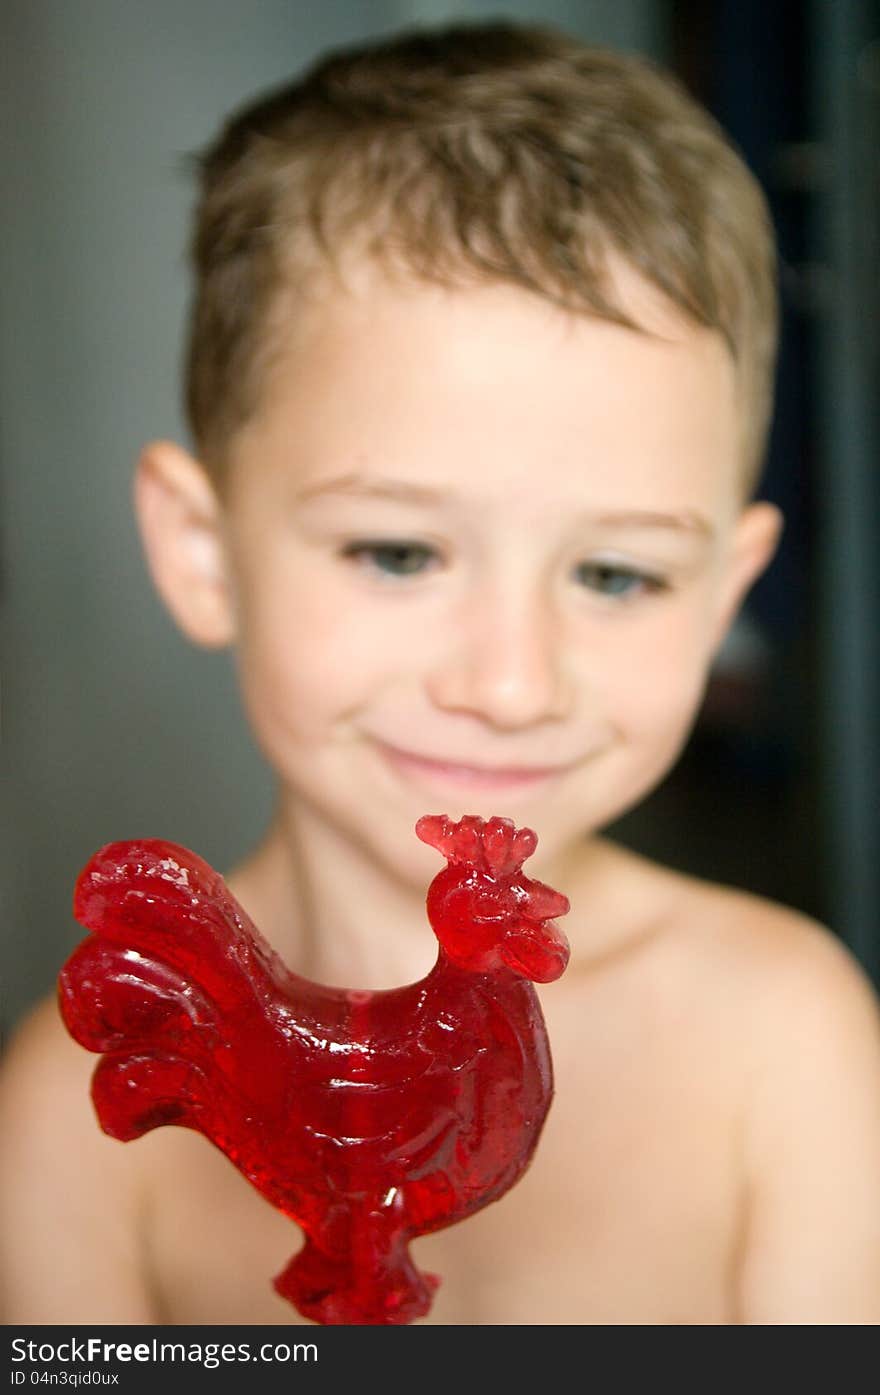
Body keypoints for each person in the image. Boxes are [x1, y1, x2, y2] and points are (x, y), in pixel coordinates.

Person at [2, 20, 879, 1326]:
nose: (512, 683)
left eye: (616, 575)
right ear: (204, 551)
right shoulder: (58, 1123)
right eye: (401, 551)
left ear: (723, 601)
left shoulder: (790, 1039)